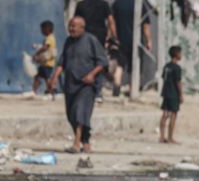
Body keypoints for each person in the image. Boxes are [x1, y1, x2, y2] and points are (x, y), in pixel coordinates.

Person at [49, 16, 107, 154]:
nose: (71, 29)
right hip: (70, 85)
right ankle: (85, 141)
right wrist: (54, 79)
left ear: (82, 27)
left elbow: (103, 62)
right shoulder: (69, 42)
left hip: (86, 85)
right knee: (71, 115)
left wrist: (92, 74)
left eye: (74, 26)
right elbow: (62, 62)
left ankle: (76, 143)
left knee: (81, 113)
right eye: (70, 26)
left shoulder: (91, 40)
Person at [112, 0, 152, 95]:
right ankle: (132, 89)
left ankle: (117, 85)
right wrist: (148, 41)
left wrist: (113, 36)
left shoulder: (117, 4)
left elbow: (111, 21)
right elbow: (146, 26)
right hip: (136, 40)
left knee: (120, 64)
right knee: (134, 65)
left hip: (120, 39)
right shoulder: (140, 4)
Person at [159, 46, 183, 144]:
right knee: (173, 115)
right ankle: (170, 138)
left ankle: (161, 137)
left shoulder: (166, 66)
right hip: (173, 94)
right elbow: (178, 82)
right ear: (177, 55)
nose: (182, 55)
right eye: (181, 53)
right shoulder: (177, 68)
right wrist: (181, 94)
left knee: (164, 115)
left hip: (165, 92)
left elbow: (163, 78)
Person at [32, 20, 57, 96]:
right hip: (44, 63)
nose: (41, 31)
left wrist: (37, 53)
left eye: (42, 29)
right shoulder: (48, 38)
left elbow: (45, 48)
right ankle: (34, 91)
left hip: (48, 63)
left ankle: (51, 91)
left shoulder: (50, 38)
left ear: (47, 29)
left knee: (47, 78)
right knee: (37, 75)